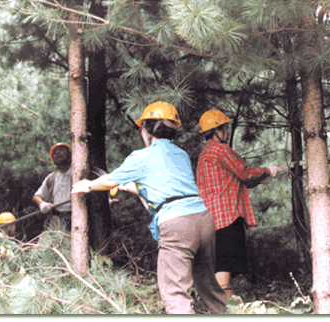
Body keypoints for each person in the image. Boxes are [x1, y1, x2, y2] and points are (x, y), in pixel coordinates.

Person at [71, 101, 227, 314]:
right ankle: (225, 313)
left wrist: (88, 185)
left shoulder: (141, 156)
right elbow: (167, 187)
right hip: (203, 219)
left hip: (177, 224)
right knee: (208, 285)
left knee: (175, 293)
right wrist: (132, 187)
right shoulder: (180, 154)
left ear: (147, 130)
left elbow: (110, 181)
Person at [196, 109, 282, 300]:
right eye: (225, 127)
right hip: (227, 218)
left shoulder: (204, 155)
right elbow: (244, 172)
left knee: (220, 267)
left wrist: (261, 179)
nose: (227, 130)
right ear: (217, 130)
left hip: (210, 220)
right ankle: (226, 312)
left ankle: (220, 310)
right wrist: (268, 170)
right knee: (224, 271)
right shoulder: (221, 150)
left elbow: (236, 179)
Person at [33, 143, 73, 230]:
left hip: (77, 218)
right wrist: (42, 204)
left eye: (61, 150)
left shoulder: (79, 172)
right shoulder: (51, 178)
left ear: (70, 154)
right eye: (55, 153)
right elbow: (37, 196)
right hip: (57, 220)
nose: (58, 154)